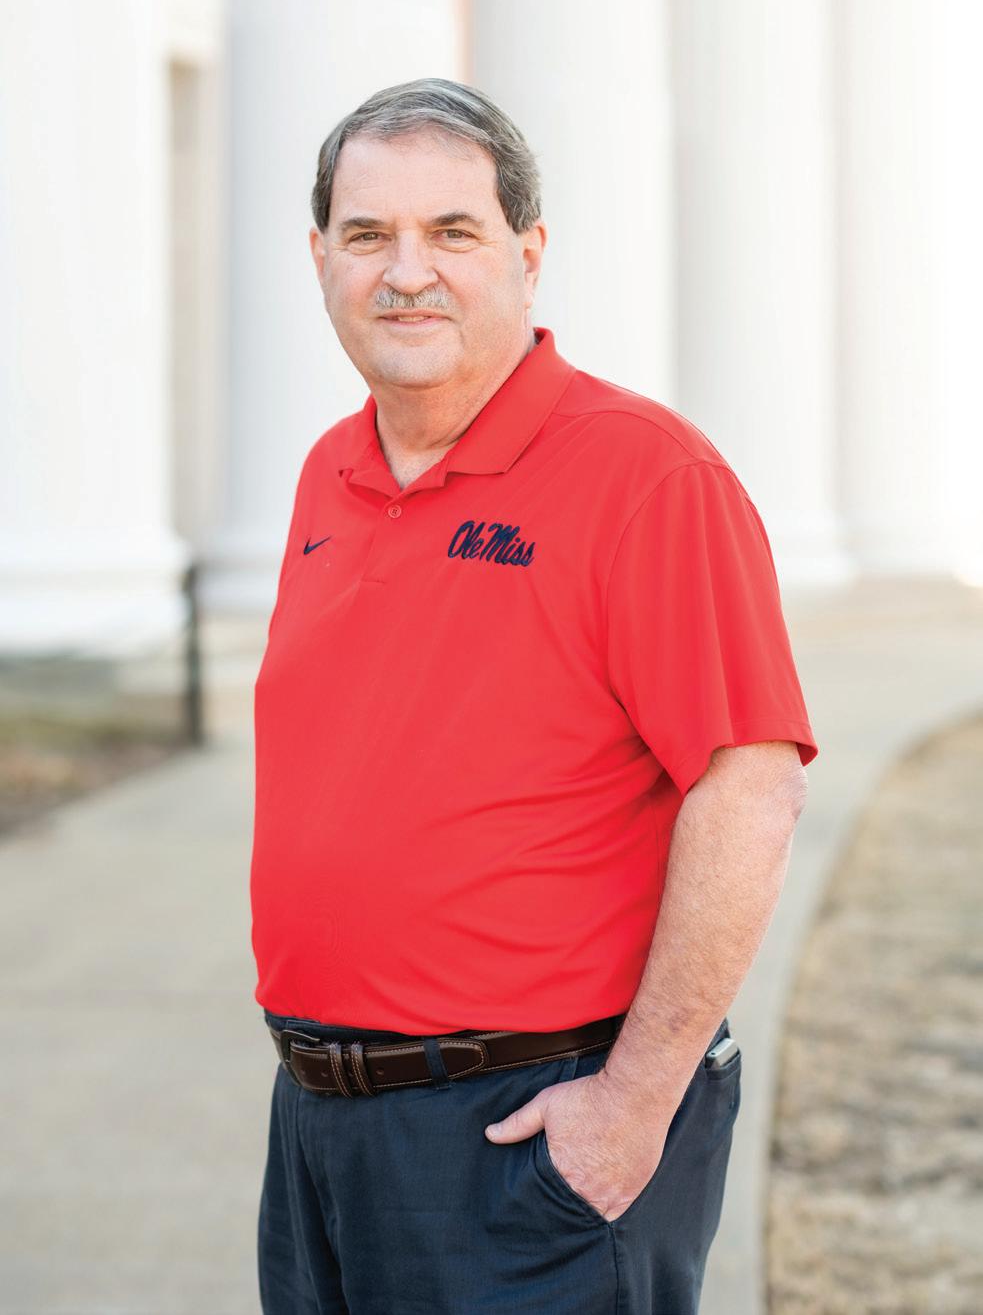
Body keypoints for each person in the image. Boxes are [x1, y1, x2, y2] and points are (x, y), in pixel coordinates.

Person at [250, 77, 819, 1314]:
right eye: (367, 234)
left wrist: (633, 1103)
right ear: (319, 257)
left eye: (450, 231)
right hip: (321, 1125)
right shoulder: (326, 472)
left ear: (527, 251)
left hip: (527, 1129)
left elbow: (749, 793)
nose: (406, 272)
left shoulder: (646, 476)